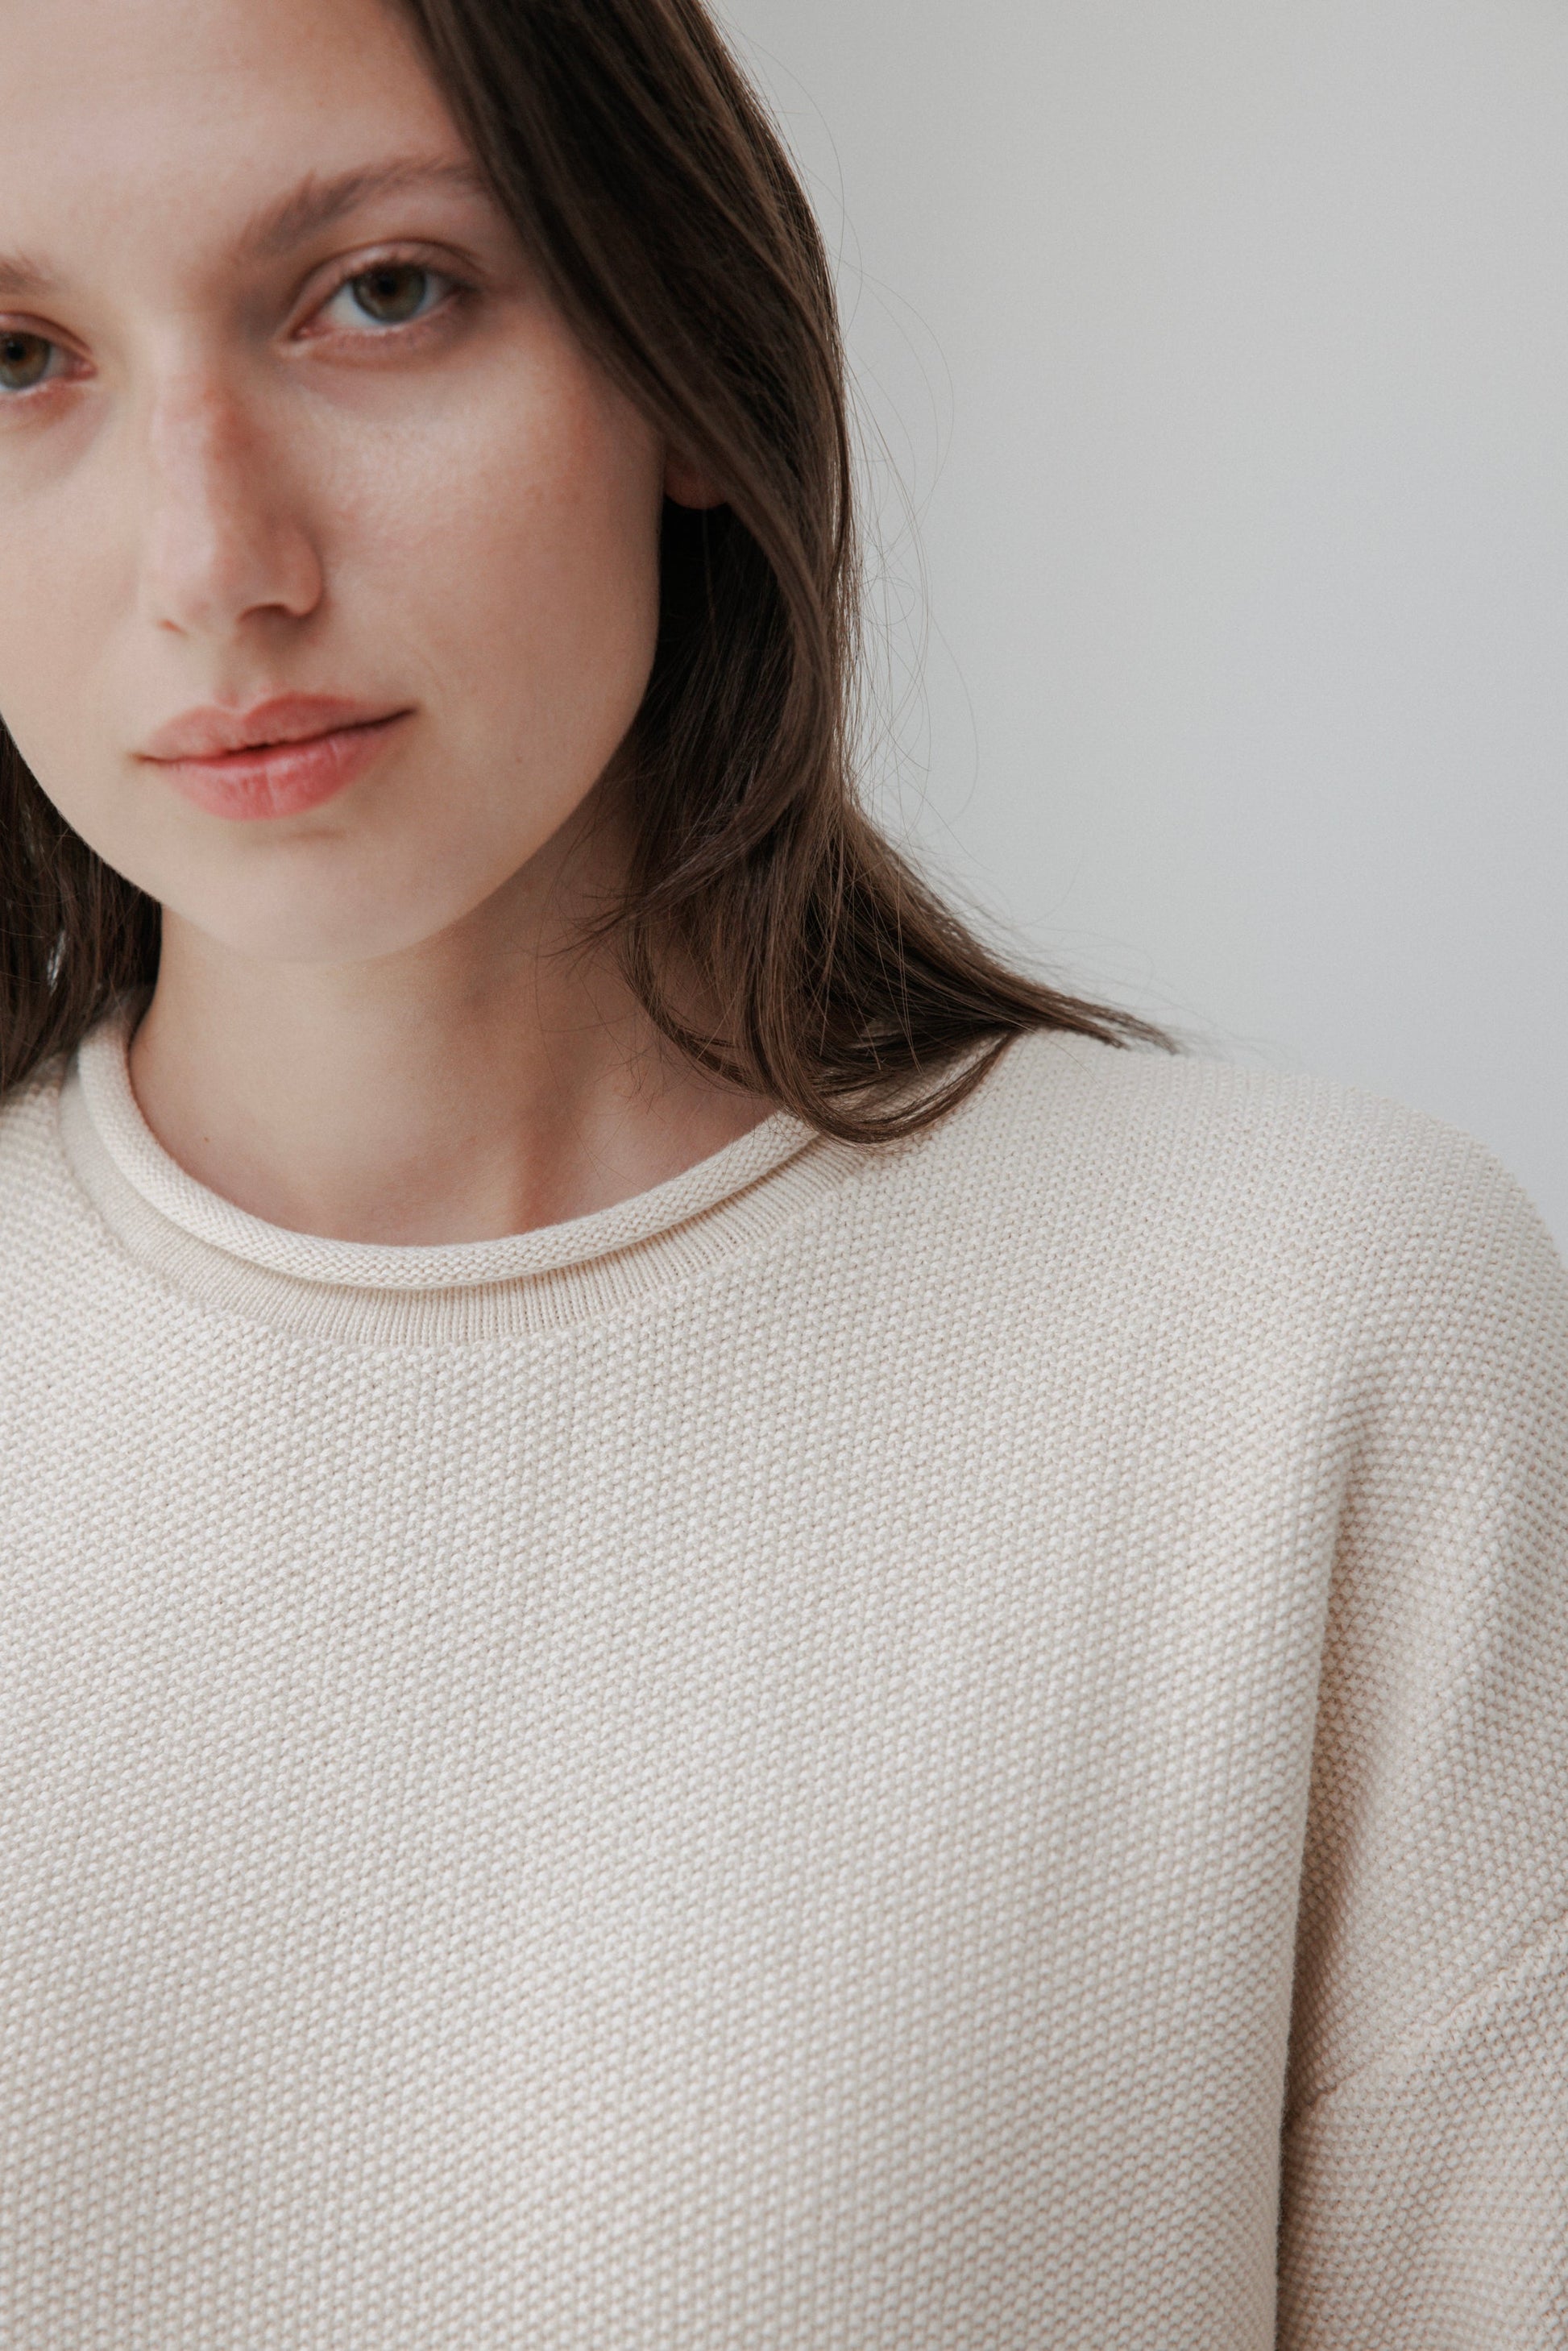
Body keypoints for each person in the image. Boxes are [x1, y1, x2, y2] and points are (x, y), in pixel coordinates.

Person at [0, 0, 1561, 2342]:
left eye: (384, 291)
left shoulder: (1304, 1341)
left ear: (678, 357)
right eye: (11, 358)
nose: (218, 561)